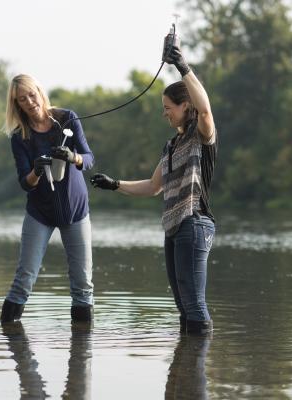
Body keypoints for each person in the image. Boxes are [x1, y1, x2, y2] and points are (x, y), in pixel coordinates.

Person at [90, 38, 217, 335]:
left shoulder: (202, 135)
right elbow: (152, 186)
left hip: (195, 224)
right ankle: (184, 372)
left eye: (168, 107)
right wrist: (115, 184)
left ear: (186, 106)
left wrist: (181, 65)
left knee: (194, 304)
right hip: (174, 228)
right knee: (182, 306)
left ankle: (197, 373)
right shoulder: (171, 145)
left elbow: (206, 110)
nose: (165, 113)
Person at [0, 74, 95, 324]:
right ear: (17, 105)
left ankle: (81, 353)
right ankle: (11, 345)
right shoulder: (19, 137)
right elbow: (25, 183)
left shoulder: (67, 118)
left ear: (40, 92)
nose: (30, 102)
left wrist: (73, 157)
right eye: (22, 99)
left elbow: (89, 158)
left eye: (32, 94)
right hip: (40, 213)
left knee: (83, 285)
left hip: (76, 210)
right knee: (24, 279)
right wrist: (37, 170)